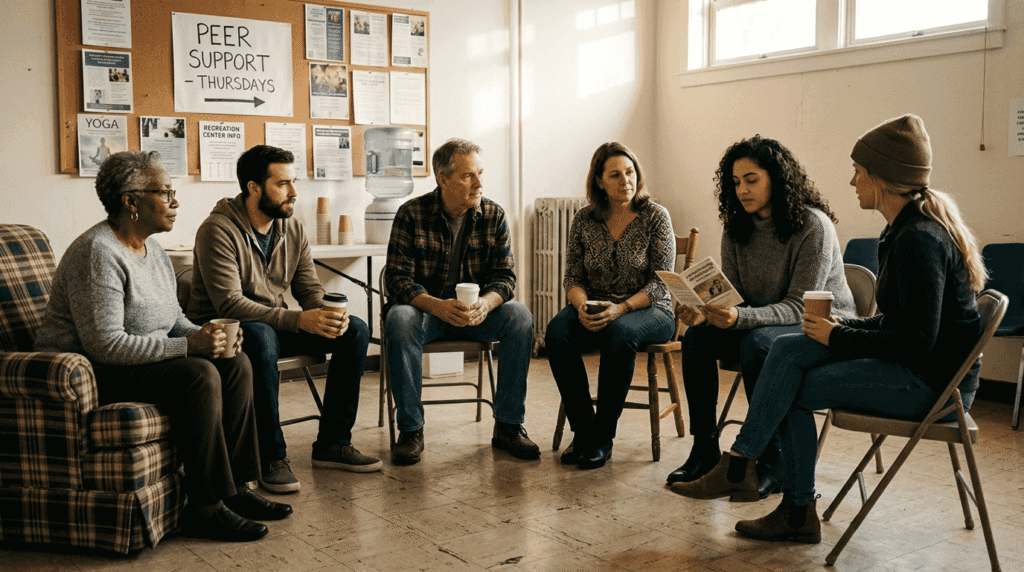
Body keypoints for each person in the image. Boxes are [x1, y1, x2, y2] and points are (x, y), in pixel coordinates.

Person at [670, 114, 987, 545]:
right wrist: (843, 327)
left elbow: (914, 343)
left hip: (933, 387)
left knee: (791, 386)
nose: (852, 181)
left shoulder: (919, 240)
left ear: (883, 177)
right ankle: (744, 466)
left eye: (859, 171)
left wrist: (839, 335)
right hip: (917, 369)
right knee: (786, 354)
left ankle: (783, 498)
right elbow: (897, 323)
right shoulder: (902, 231)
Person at [35, 151, 291, 542]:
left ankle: (237, 488)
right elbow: (106, 344)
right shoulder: (98, 252)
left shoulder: (152, 249)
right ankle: (205, 507)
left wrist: (211, 337)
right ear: (130, 201)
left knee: (235, 363)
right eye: (166, 192)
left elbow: (174, 322)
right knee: (198, 373)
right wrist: (189, 348)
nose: (175, 202)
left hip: (134, 362)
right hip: (89, 372)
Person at [665, 135, 856, 499]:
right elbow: (734, 298)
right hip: (760, 320)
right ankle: (704, 448)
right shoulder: (737, 227)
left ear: (777, 178)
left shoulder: (813, 227)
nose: (742, 190)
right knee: (697, 339)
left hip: (819, 326)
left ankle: (773, 458)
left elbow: (800, 307)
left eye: (751, 180)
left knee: (757, 344)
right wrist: (705, 312)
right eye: (735, 183)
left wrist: (738, 318)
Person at [188, 145, 380, 495]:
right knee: (261, 336)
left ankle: (333, 444)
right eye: (283, 184)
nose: (294, 192)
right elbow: (230, 303)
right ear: (254, 188)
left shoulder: (291, 229)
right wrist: (299, 321)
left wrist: (329, 312)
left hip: (272, 326)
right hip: (224, 332)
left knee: (355, 330)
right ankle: (270, 458)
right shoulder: (217, 230)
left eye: (294, 182)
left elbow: (308, 289)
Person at [383, 138, 539, 466]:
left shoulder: (493, 215)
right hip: (428, 314)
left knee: (520, 316)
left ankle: (509, 426)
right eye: (469, 176)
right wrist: (437, 305)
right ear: (443, 180)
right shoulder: (411, 213)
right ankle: (411, 430)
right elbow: (396, 281)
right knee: (399, 317)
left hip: (476, 315)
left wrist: (487, 302)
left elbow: (506, 278)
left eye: (480, 173)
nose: (479, 183)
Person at [545, 142, 676, 469]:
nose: (625, 180)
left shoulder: (655, 217)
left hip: (651, 309)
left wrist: (620, 309)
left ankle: (603, 436)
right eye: (615, 175)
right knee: (557, 332)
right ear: (600, 181)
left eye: (630, 172)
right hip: (597, 305)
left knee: (619, 334)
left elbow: (662, 281)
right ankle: (584, 430)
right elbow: (572, 276)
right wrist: (582, 307)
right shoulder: (584, 219)